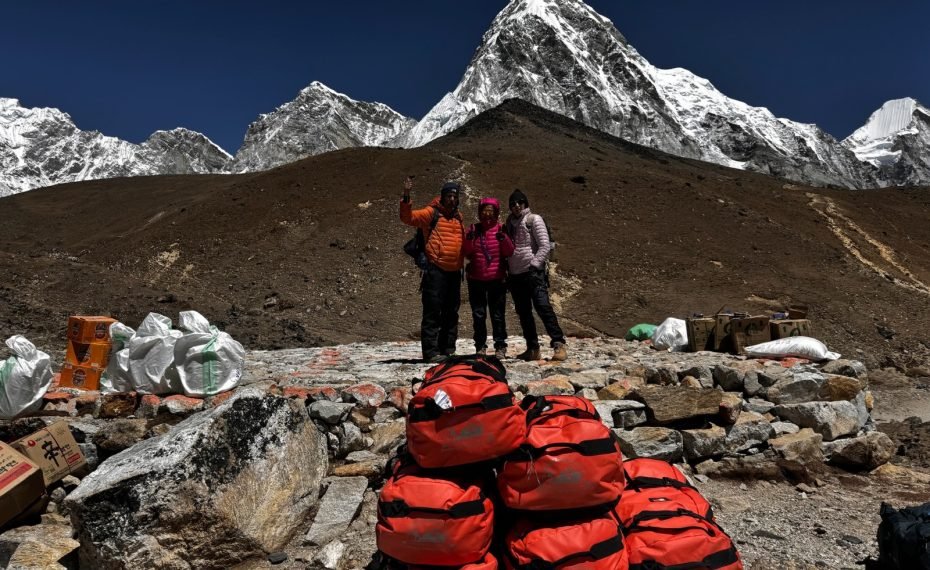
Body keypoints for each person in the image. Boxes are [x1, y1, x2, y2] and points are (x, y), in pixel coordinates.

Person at [400, 177, 465, 363]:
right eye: (448, 196)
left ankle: (448, 349)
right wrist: (406, 196)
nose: (452, 199)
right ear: (442, 197)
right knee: (433, 311)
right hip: (435, 271)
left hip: (454, 272)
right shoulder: (432, 213)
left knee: (451, 312)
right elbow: (408, 217)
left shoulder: (458, 217)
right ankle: (430, 352)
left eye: (454, 196)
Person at [505, 190, 567, 361]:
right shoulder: (509, 222)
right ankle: (532, 348)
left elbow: (545, 246)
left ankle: (558, 344)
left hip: (533, 273)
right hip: (516, 274)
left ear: (525, 203)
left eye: (520, 202)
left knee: (543, 307)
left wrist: (534, 265)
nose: (516, 206)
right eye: (513, 203)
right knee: (524, 312)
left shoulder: (534, 219)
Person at [462, 197, 515, 359]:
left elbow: (509, 252)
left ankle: (500, 346)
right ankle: (480, 346)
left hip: (496, 279)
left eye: (491, 212)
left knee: (497, 314)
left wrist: (504, 239)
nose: (487, 215)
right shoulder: (473, 229)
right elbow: (466, 252)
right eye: (484, 212)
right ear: (479, 213)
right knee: (478, 315)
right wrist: (469, 240)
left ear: (496, 213)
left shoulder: (501, 229)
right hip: (476, 279)